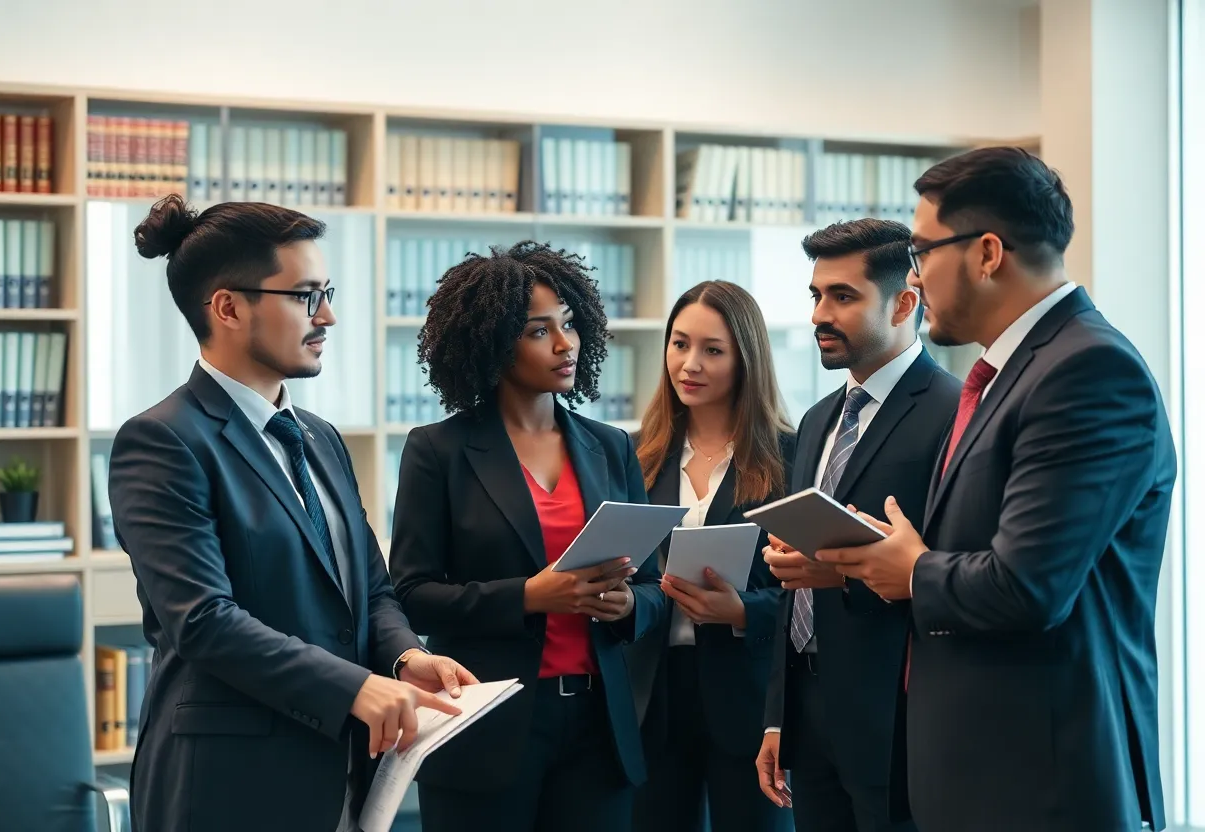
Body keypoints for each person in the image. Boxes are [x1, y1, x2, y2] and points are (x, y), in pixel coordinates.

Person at [813, 147, 1176, 832]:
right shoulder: (1008, 373)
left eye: (922, 250)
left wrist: (912, 569)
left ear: (986, 253)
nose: (914, 274)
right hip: (981, 773)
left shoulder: (1088, 371)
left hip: (1040, 781)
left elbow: (1029, 585)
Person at [108, 195, 477, 832]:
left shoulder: (319, 436)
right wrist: (354, 689)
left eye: (327, 292)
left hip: (342, 776)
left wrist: (403, 658)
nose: (327, 316)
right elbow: (203, 621)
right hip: (226, 787)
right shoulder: (163, 441)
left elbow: (371, 587)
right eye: (305, 296)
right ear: (227, 307)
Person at [386, 241, 667, 832]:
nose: (566, 344)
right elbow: (411, 592)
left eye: (569, 324)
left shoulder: (611, 446)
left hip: (598, 728)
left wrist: (629, 604)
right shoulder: (438, 451)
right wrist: (530, 597)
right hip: (489, 723)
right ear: (493, 342)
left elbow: (653, 587)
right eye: (539, 331)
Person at [756, 219, 960, 832]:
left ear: (905, 302)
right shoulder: (818, 419)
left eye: (843, 297)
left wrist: (840, 573)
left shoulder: (953, 413)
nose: (822, 313)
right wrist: (777, 718)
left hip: (896, 717)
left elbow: (950, 569)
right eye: (817, 295)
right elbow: (797, 585)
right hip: (809, 712)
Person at [626, 280, 795, 832]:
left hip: (747, 699)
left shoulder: (791, 456)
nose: (689, 364)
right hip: (652, 695)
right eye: (679, 344)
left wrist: (745, 611)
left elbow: (816, 591)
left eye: (712, 350)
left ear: (746, 359)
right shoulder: (632, 456)